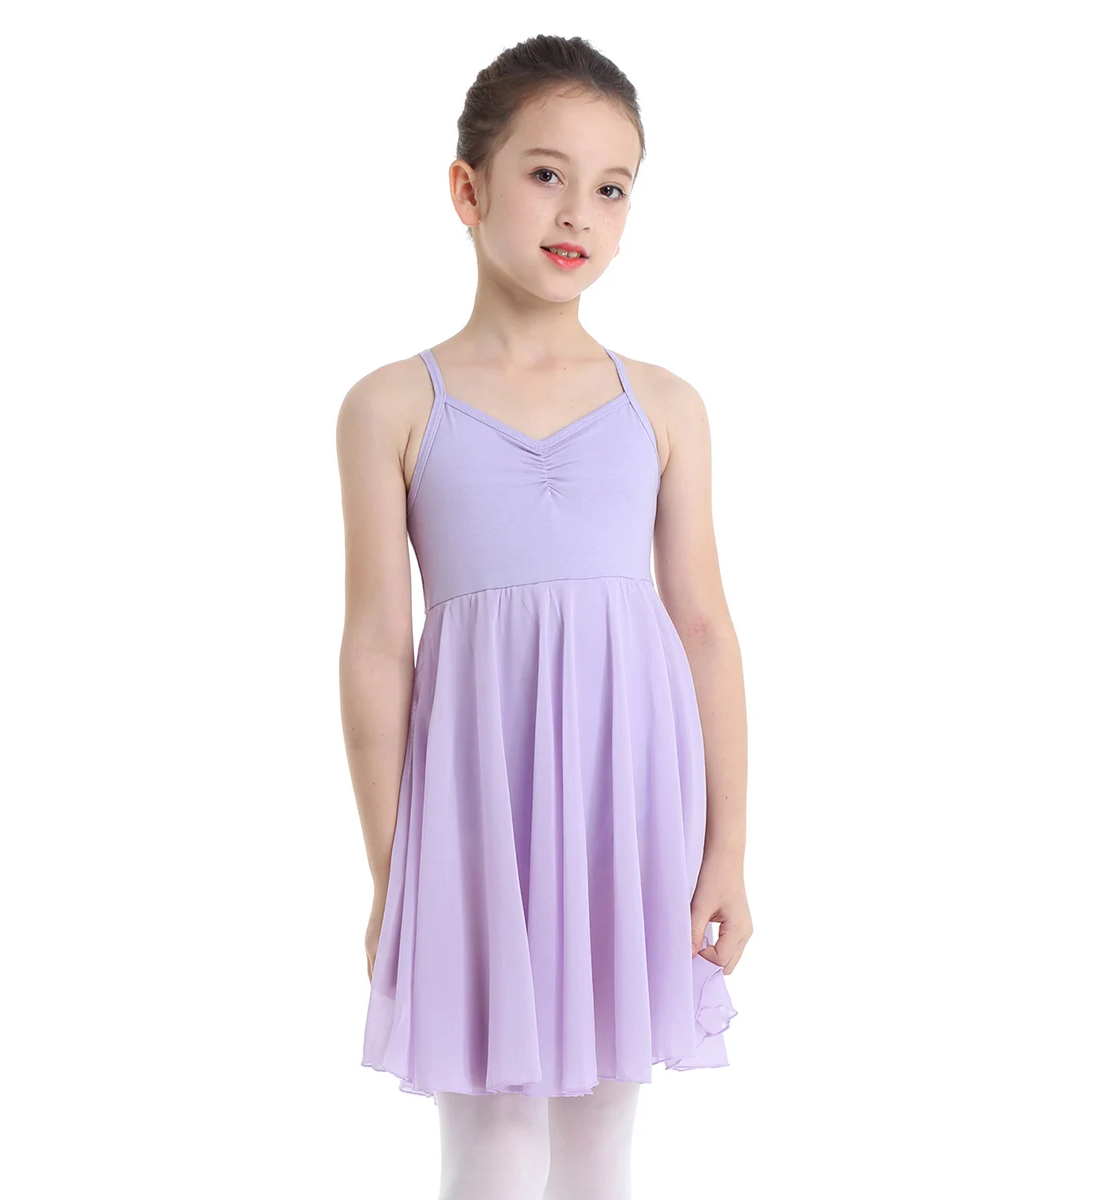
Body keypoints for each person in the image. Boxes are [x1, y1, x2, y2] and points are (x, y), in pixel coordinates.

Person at [337, 33, 751, 1200]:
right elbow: (377, 646)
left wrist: (726, 848)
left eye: (612, 188)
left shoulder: (663, 405)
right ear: (468, 188)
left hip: (629, 800)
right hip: (475, 805)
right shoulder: (391, 405)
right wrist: (395, 869)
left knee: (603, 1130)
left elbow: (705, 627)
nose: (579, 211)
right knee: (491, 1136)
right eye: (546, 173)